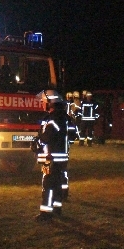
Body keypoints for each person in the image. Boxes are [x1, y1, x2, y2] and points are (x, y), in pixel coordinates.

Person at [33, 90, 72, 221]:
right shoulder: (62, 117)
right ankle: (56, 208)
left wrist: (36, 143)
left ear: (50, 103)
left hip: (51, 157)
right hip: (59, 156)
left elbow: (48, 136)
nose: (42, 104)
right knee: (56, 184)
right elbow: (71, 135)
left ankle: (46, 213)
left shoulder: (54, 118)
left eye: (44, 102)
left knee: (48, 185)